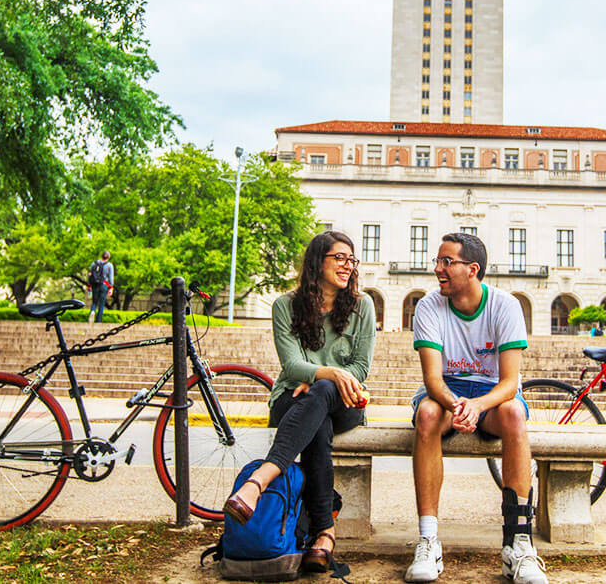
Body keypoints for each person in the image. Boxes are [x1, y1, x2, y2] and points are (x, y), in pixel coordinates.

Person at [223, 231, 374, 573]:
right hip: (291, 397)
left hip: (346, 400)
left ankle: (258, 481)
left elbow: (361, 368)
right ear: (317, 261)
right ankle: (324, 534)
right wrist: (321, 377)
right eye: (340, 258)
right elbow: (291, 365)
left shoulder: (362, 305)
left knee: (320, 394)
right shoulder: (284, 305)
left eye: (352, 260)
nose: (347, 266)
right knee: (317, 417)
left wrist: (324, 377)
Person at [404, 232, 546, 584]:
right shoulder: (428, 306)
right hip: (446, 394)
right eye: (438, 261)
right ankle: (427, 539)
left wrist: (477, 405)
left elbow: (510, 384)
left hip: (491, 396)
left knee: (514, 413)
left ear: (472, 269)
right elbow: (433, 380)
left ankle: (519, 544)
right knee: (426, 413)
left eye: (446, 262)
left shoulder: (505, 305)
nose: (437, 268)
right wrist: (458, 405)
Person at [86, 251, 114, 323]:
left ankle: (92, 311)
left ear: (101, 256)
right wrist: (111, 287)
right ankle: (98, 321)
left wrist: (89, 285)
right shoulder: (109, 265)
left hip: (95, 285)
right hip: (104, 285)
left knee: (94, 302)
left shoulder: (94, 263)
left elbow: (89, 274)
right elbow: (111, 277)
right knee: (101, 303)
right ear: (108, 257)